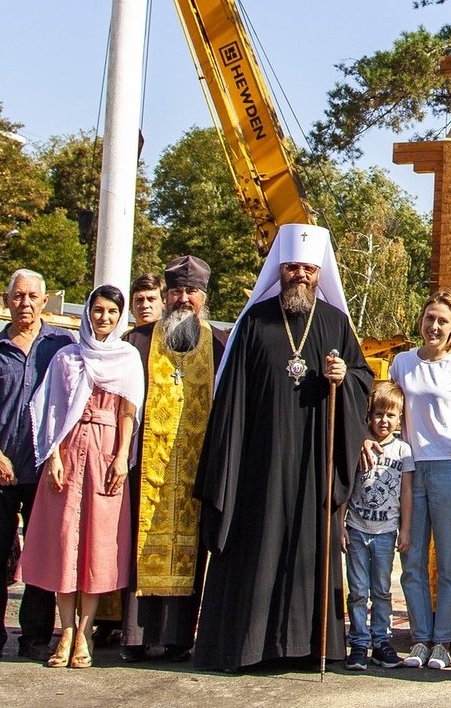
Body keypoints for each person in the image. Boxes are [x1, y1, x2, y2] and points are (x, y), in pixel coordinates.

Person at [193, 224, 370, 672]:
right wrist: (229, 463)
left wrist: (342, 379)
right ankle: (248, 645)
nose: (300, 276)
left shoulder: (336, 323)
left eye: (309, 269)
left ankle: (310, 647)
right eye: (292, 267)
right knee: (258, 545)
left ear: (319, 272)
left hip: (314, 462)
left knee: (309, 548)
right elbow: (231, 396)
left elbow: (365, 380)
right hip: (260, 460)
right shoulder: (255, 321)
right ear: (280, 269)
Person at [19, 285, 145, 669]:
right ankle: (66, 631)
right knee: (64, 543)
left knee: (97, 545)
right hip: (69, 452)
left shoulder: (127, 358)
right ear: (87, 312)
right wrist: (53, 457)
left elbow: (128, 411)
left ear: (120, 316)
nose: (103, 318)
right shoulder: (66, 358)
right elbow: (51, 410)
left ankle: (86, 632)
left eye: (111, 311)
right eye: (98, 310)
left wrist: (122, 457)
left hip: (105, 453)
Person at [0, 269, 75, 664]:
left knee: (41, 560)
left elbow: (73, 405)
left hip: (45, 471)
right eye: (17, 296)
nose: (24, 303)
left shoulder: (63, 346)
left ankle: (34, 639)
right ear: (6, 300)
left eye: (32, 297)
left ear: (45, 301)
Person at [122, 254, 231, 661]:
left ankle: (179, 638)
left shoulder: (221, 344)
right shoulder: (137, 342)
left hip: (196, 468)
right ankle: (134, 638)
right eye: (177, 291)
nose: (184, 298)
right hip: (145, 467)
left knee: (191, 551)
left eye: (193, 292)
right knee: (140, 543)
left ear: (204, 297)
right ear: (167, 295)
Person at [390, 290, 451, 670]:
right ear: (421, 321)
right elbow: (390, 412)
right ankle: (419, 639)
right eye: (430, 318)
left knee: (448, 563)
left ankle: (443, 641)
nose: (434, 326)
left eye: (443, 321)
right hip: (412, 470)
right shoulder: (402, 363)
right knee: (411, 558)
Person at [341, 381, 410, 671]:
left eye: (391, 416)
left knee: (381, 590)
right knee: (358, 589)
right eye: (379, 414)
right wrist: (341, 524)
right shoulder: (358, 446)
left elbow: (406, 492)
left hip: (385, 532)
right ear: (369, 416)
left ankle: (381, 641)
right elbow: (346, 486)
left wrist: (405, 528)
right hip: (357, 528)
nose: (384, 421)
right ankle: (359, 641)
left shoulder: (403, 452)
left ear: (400, 419)